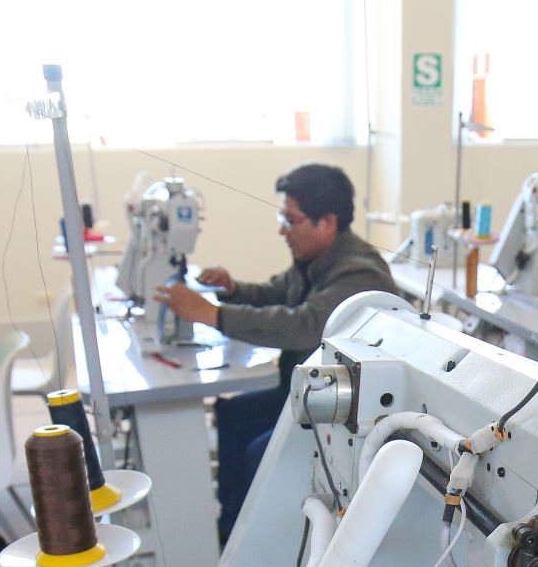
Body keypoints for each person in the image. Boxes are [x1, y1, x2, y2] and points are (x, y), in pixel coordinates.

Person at [151, 164, 397, 543]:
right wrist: (233, 290)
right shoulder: (319, 259)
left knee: (258, 452)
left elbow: (302, 324)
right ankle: (230, 529)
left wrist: (213, 315)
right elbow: (277, 293)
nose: (283, 230)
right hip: (307, 392)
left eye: (290, 220)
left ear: (326, 222)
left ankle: (260, 543)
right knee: (230, 414)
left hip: (342, 413)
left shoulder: (358, 273)